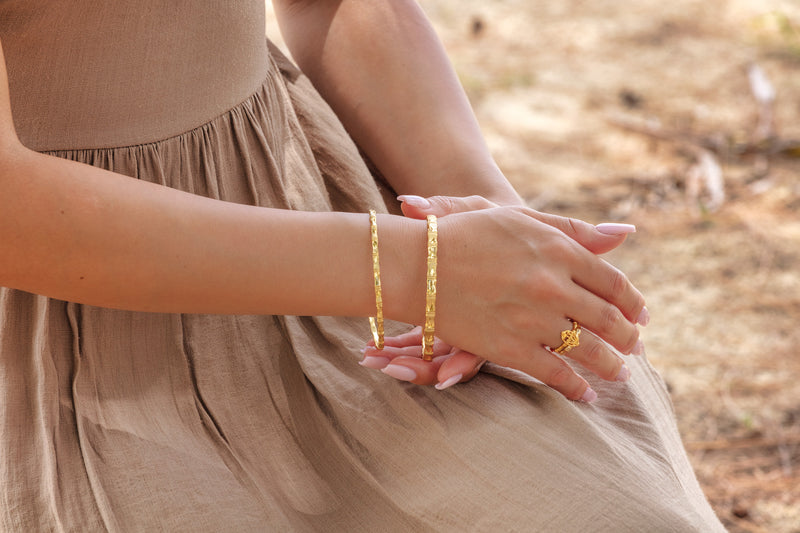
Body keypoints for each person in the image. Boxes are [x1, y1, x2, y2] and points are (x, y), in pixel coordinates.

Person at [0, 1, 725, 531]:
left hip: (323, 249)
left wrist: (500, 245)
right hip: (63, 347)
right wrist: (416, 272)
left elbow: (337, 6)